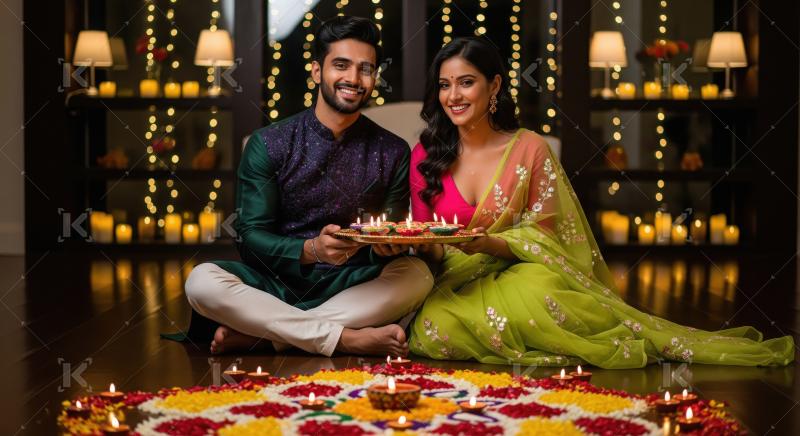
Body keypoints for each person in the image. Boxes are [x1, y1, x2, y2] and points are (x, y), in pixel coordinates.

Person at [407, 37, 794, 368]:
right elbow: (427, 241)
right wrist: (428, 247)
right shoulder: (427, 154)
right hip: (454, 280)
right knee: (435, 325)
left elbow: (550, 234)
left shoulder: (529, 148)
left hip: (517, 269)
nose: (453, 96)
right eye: (444, 85)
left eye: (465, 83)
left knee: (543, 291)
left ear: (493, 87)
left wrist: (491, 243)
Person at [173, 16, 433, 357]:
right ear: (316, 71)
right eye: (341, 65)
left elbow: (386, 238)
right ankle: (344, 339)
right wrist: (311, 250)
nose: (353, 79)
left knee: (417, 274)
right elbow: (250, 238)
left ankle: (270, 336)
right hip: (274, 286)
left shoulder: (393, 151)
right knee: (202, 281)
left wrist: (386, 247)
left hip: (353, 285)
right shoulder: (269, 144)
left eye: (365, 69)